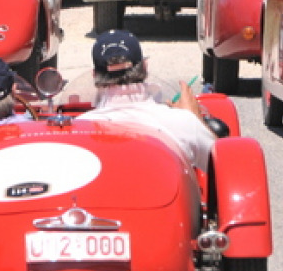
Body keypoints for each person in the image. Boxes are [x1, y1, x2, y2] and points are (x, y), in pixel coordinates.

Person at [78, 30, 216, 170]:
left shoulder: (78, 131)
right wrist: (196, 119)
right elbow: (224, 166)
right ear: (144, 66)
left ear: (94, 75)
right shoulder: (184, 123)